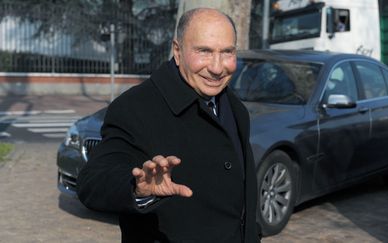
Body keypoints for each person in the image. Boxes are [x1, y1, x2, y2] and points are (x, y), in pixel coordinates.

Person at [77, 7, 261, 243]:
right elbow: (93, 181)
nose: (217, 67)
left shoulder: (235, 107)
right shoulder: (135, 106)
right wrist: (137, 188)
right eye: (204, 51)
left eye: (227, 52)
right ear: (177, 51)